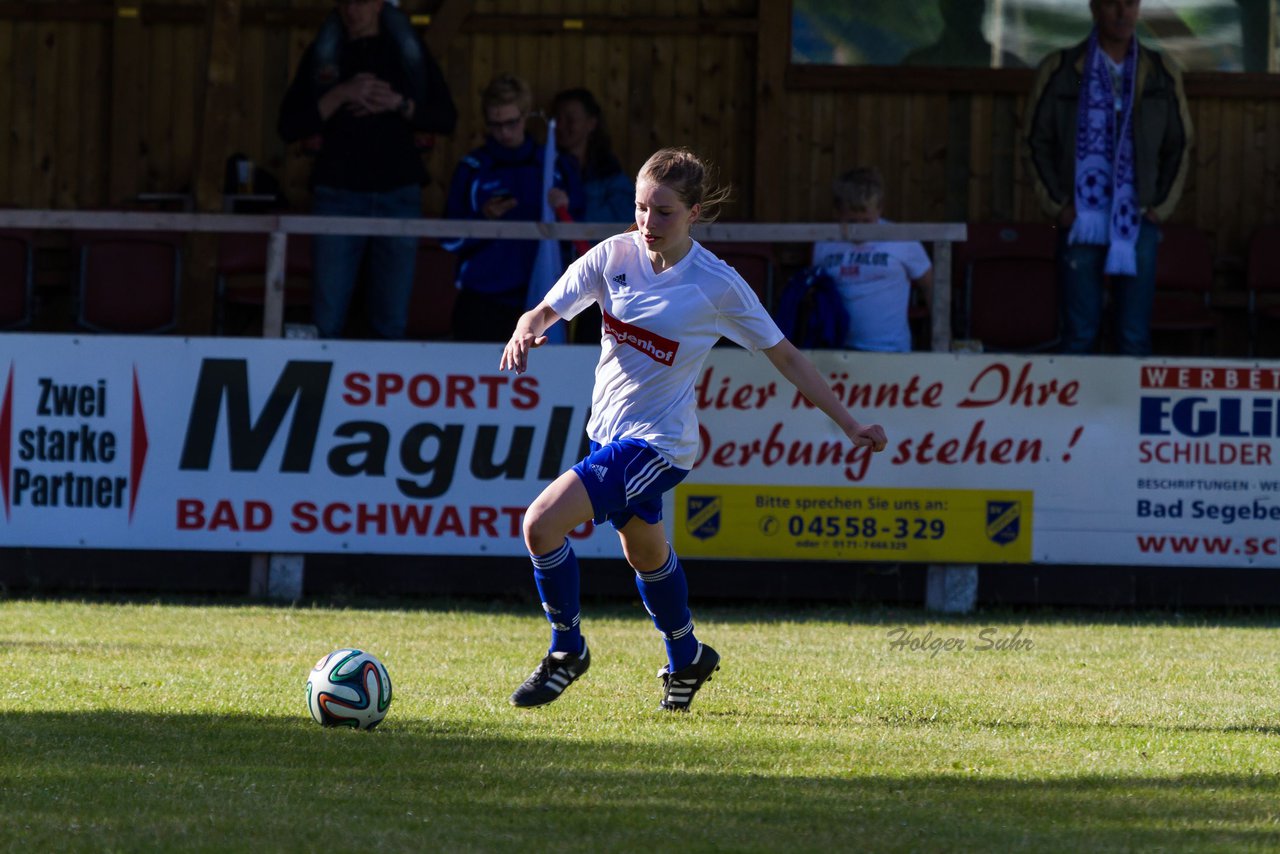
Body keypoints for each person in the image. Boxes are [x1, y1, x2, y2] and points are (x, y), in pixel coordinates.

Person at [499, 147, 889, 712]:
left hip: (659, 445)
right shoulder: (613, 256)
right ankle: (687, 659)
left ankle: (567, 651)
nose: (647, 223)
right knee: (645, 554)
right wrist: (524, 330)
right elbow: (543, 311)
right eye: (640, 208)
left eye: (664, 212)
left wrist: (850, 423)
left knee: (540, 523)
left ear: (695, 213)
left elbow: (787, 357)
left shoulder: (716, 284)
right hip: (607, 434)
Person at [278, 0, 456, 340]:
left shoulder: (406, 54)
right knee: (327, 319)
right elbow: (289, 126)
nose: (351, 10)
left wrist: (398, 104)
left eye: (360, 1)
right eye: (344, 2)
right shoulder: (325, 55)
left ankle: (381, 390)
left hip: (398, 193)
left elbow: (445, 118)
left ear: (379, 5)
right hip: (338, 195)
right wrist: (342, 94)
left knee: (391, 319)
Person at [1025, 0, 1192, 356]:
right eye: (1113, 3)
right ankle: (1074, 412)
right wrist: (1057, 207)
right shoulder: (1061, 68)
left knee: (1133, 336)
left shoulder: (1162, 70)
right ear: (1094, 8)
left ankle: (1126, 413)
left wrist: (1160, 208)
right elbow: (1034, 142)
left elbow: (1180, 145)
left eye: (1130, 3)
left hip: (1138, 217)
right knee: (1079, 336)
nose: (1122, 12)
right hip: (1079, 219)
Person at [443, 73, 585, 342]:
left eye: (512, 122)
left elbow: (579, 233)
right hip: (483, 298)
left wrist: (564, 208)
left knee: (542, 379)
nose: (504, 132)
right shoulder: (472, 168)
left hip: (541, 295)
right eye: (495, 125)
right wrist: (483, 219)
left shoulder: (554, 165)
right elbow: (448, 238)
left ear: (526, 116)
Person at [810, 167, 933, 353]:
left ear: (880, 209)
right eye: (852, 222)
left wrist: (941, 342)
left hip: (891, 351)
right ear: (837, 212)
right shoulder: (824, 242)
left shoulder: (902, 239)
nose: (859, 229)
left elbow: (931, 287)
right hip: (838, 352)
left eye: (866, 222)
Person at [550, 88, 635, 224]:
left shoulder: (609, 173)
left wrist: (575, 211)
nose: (560, 126)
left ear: (591, 123)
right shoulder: (545, 167)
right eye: (557, 119)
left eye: (570, 120)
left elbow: (624, 217)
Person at [901, 0, 1026, 68]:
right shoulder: (916, 64)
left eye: (969, 3)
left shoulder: (1010, 66)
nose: (963, 8)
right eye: (957, 3)